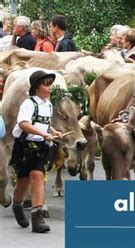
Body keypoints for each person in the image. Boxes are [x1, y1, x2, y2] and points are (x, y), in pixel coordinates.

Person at [10, 70, 63, 233]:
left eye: (50, 85)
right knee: (23, 181)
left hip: (40, 147)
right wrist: (43, 134)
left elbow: (44, 123)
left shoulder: (48, 105)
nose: (50, 88)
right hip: (25, 146)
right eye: (46, 85)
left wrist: (53, 132)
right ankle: (17, 205)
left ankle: (37, 218)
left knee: (38, 177)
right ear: (36, 88)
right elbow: (24, 124)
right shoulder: (29, 104)